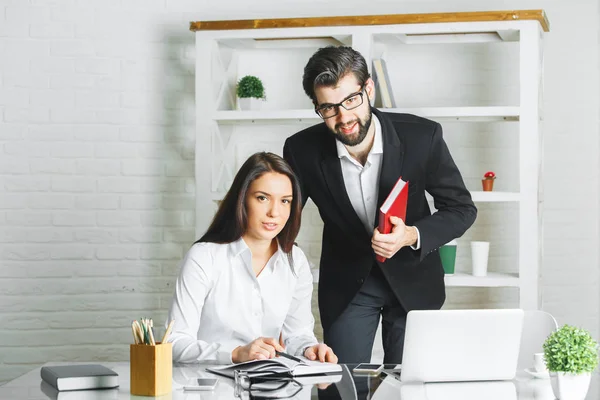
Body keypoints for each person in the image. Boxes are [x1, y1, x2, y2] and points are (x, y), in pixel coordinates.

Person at [283, 46, 477, 364]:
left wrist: (412, 234)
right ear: (316, 106)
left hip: (415, 282)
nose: (344, 118)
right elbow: (284, 217)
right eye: (329, 109)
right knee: (341, 386)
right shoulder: (301, 149)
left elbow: (461, 208)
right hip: (348, 287)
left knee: (409, 387)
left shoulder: (422, 137)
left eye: (351, 100)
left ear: (368, 88)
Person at [166, 152, 337, 364]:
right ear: (242, 198)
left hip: (269, 385)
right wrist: (235, 353)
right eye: (262, 198)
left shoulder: (296, 260)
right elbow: (174, 342)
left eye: (285, 201)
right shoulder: (204, 256)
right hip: (207, 386)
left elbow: (297, 335)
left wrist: (310, 349)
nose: (275, 212)